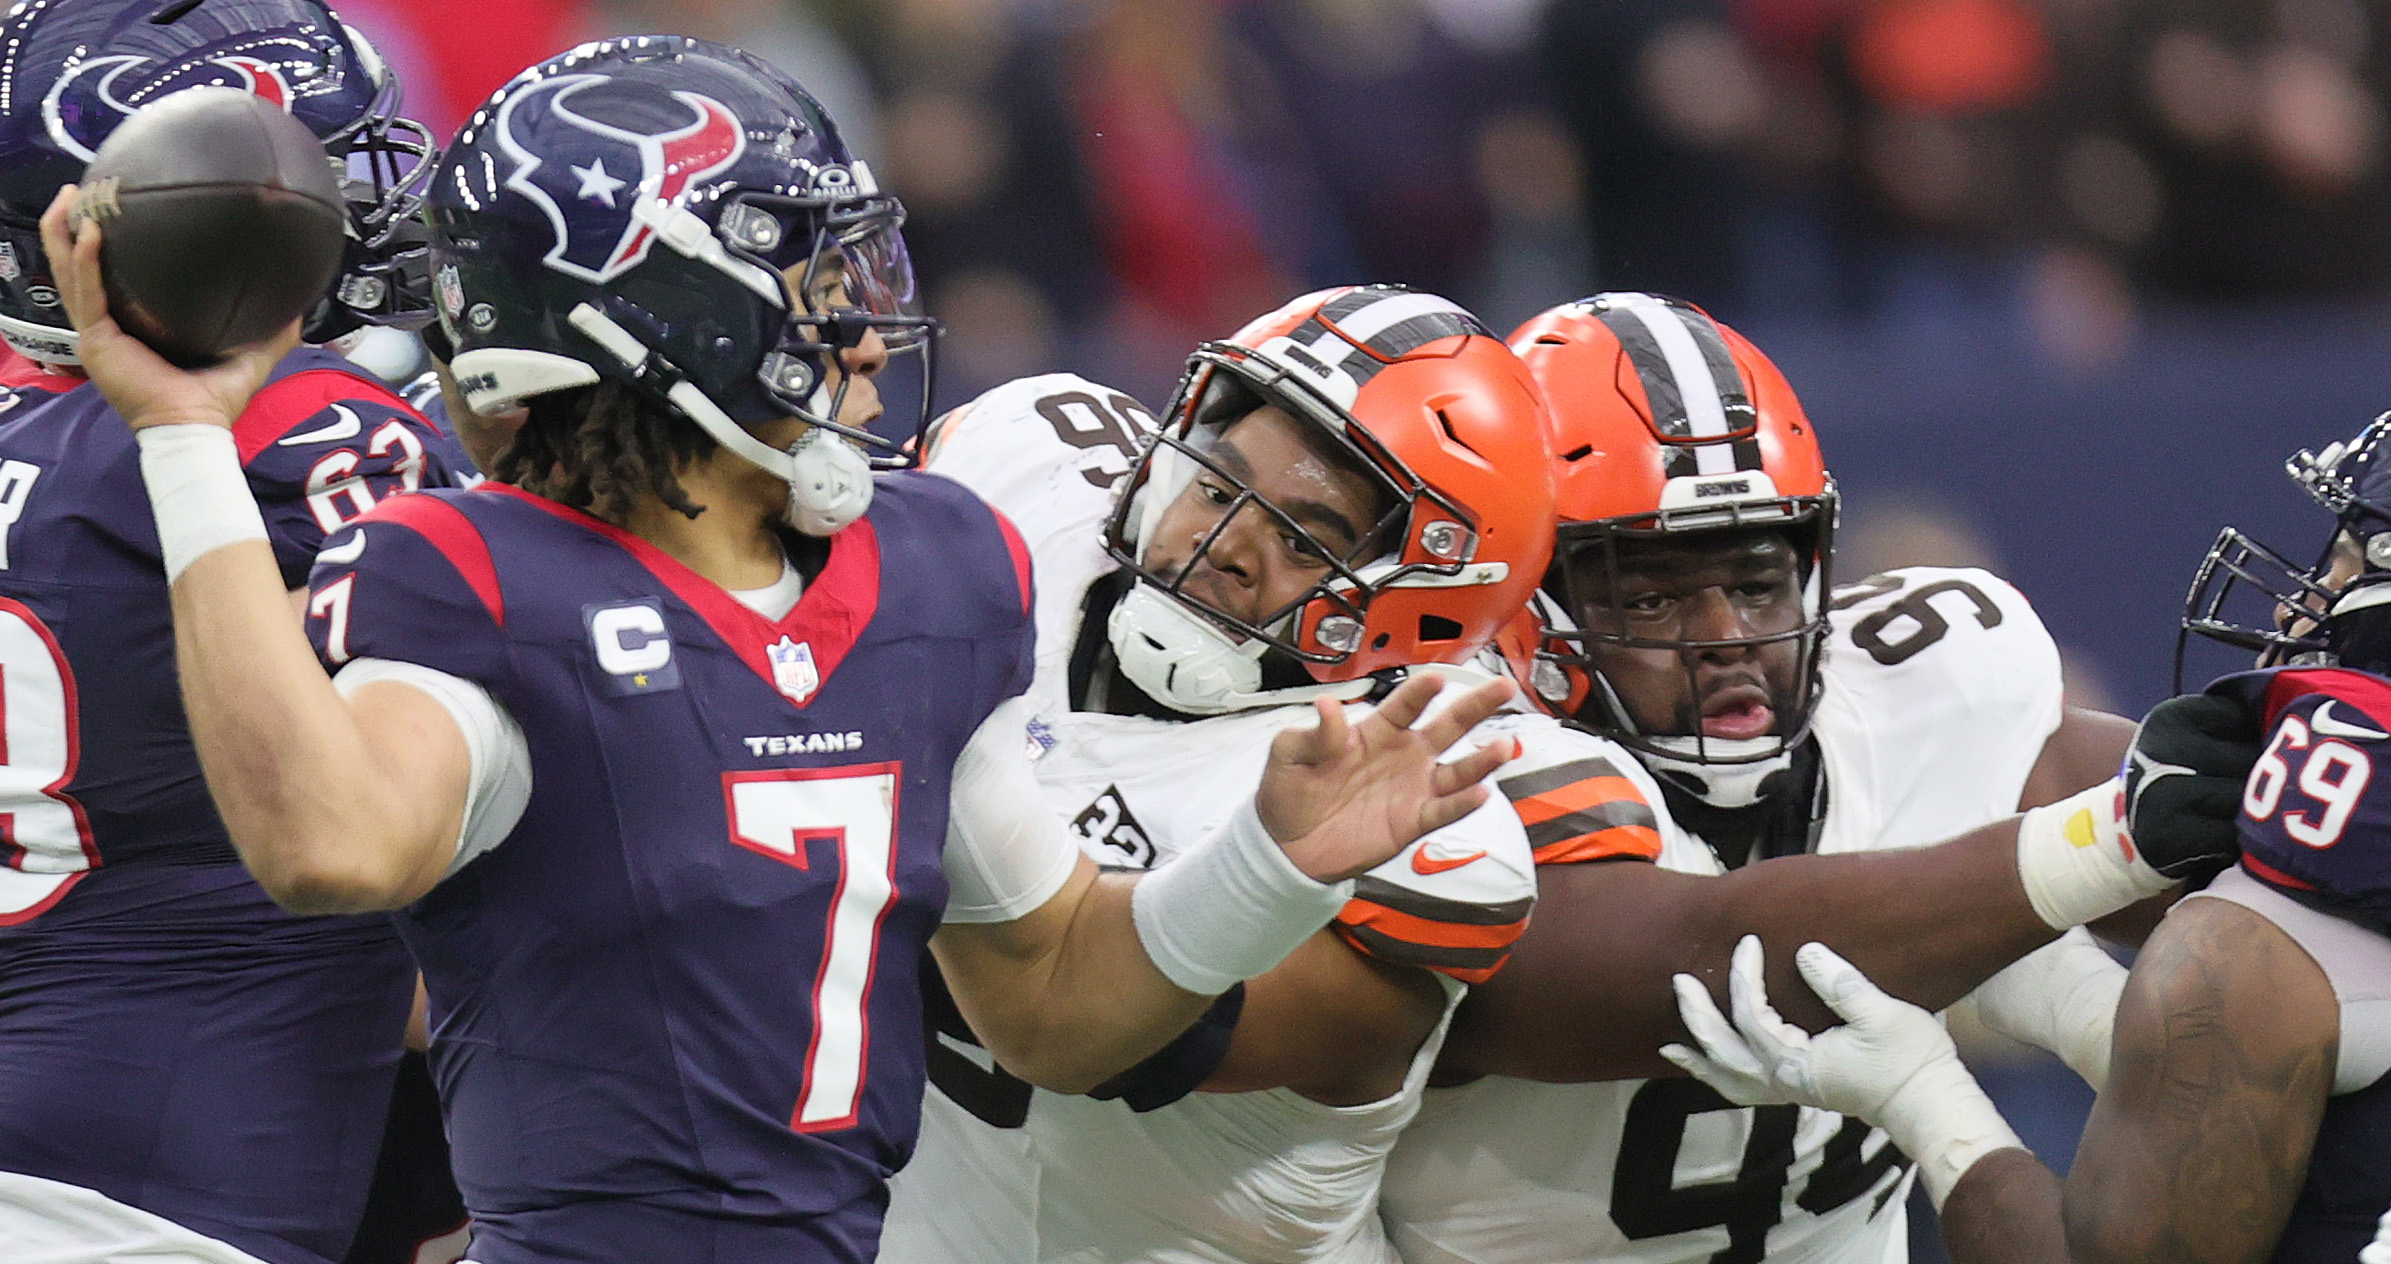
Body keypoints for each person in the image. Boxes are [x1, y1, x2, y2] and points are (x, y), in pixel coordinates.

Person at [40, 35, 1517, 1264]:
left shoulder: (929, 565)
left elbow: (1062, 1001)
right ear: (665, 320)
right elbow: (328, 848)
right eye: (818, 296)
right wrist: (182, 440)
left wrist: (1262, 864)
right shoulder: (479, 573)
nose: (867, 340)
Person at [1377, 292, 2245, 1264]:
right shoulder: (1431, 757)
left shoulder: (1921, 689)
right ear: (1525, 599)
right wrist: (2106, 841)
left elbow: (2225, 868)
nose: (1726, 641)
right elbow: (1708, 953)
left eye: (1754, 583)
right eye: (1654, 596)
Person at [881, 286, 1602, 1262]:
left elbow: (1070, 1034)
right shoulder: (1027, 478)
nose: (1218, 547)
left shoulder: (1418, 820)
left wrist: (923, 718)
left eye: (1302, 538)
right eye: (1218, 487)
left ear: (1421, 607)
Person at [1663, 412, 2391, 1264]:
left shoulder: (2284, 917)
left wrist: (1926, 1100)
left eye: (2343, 560)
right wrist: (2089, 1014)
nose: (2294, 597)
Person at [0, 3, 461, 1262]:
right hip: (158, 1190)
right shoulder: (303, 427)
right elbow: (462, 847)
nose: (366, 203)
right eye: (317, 174)